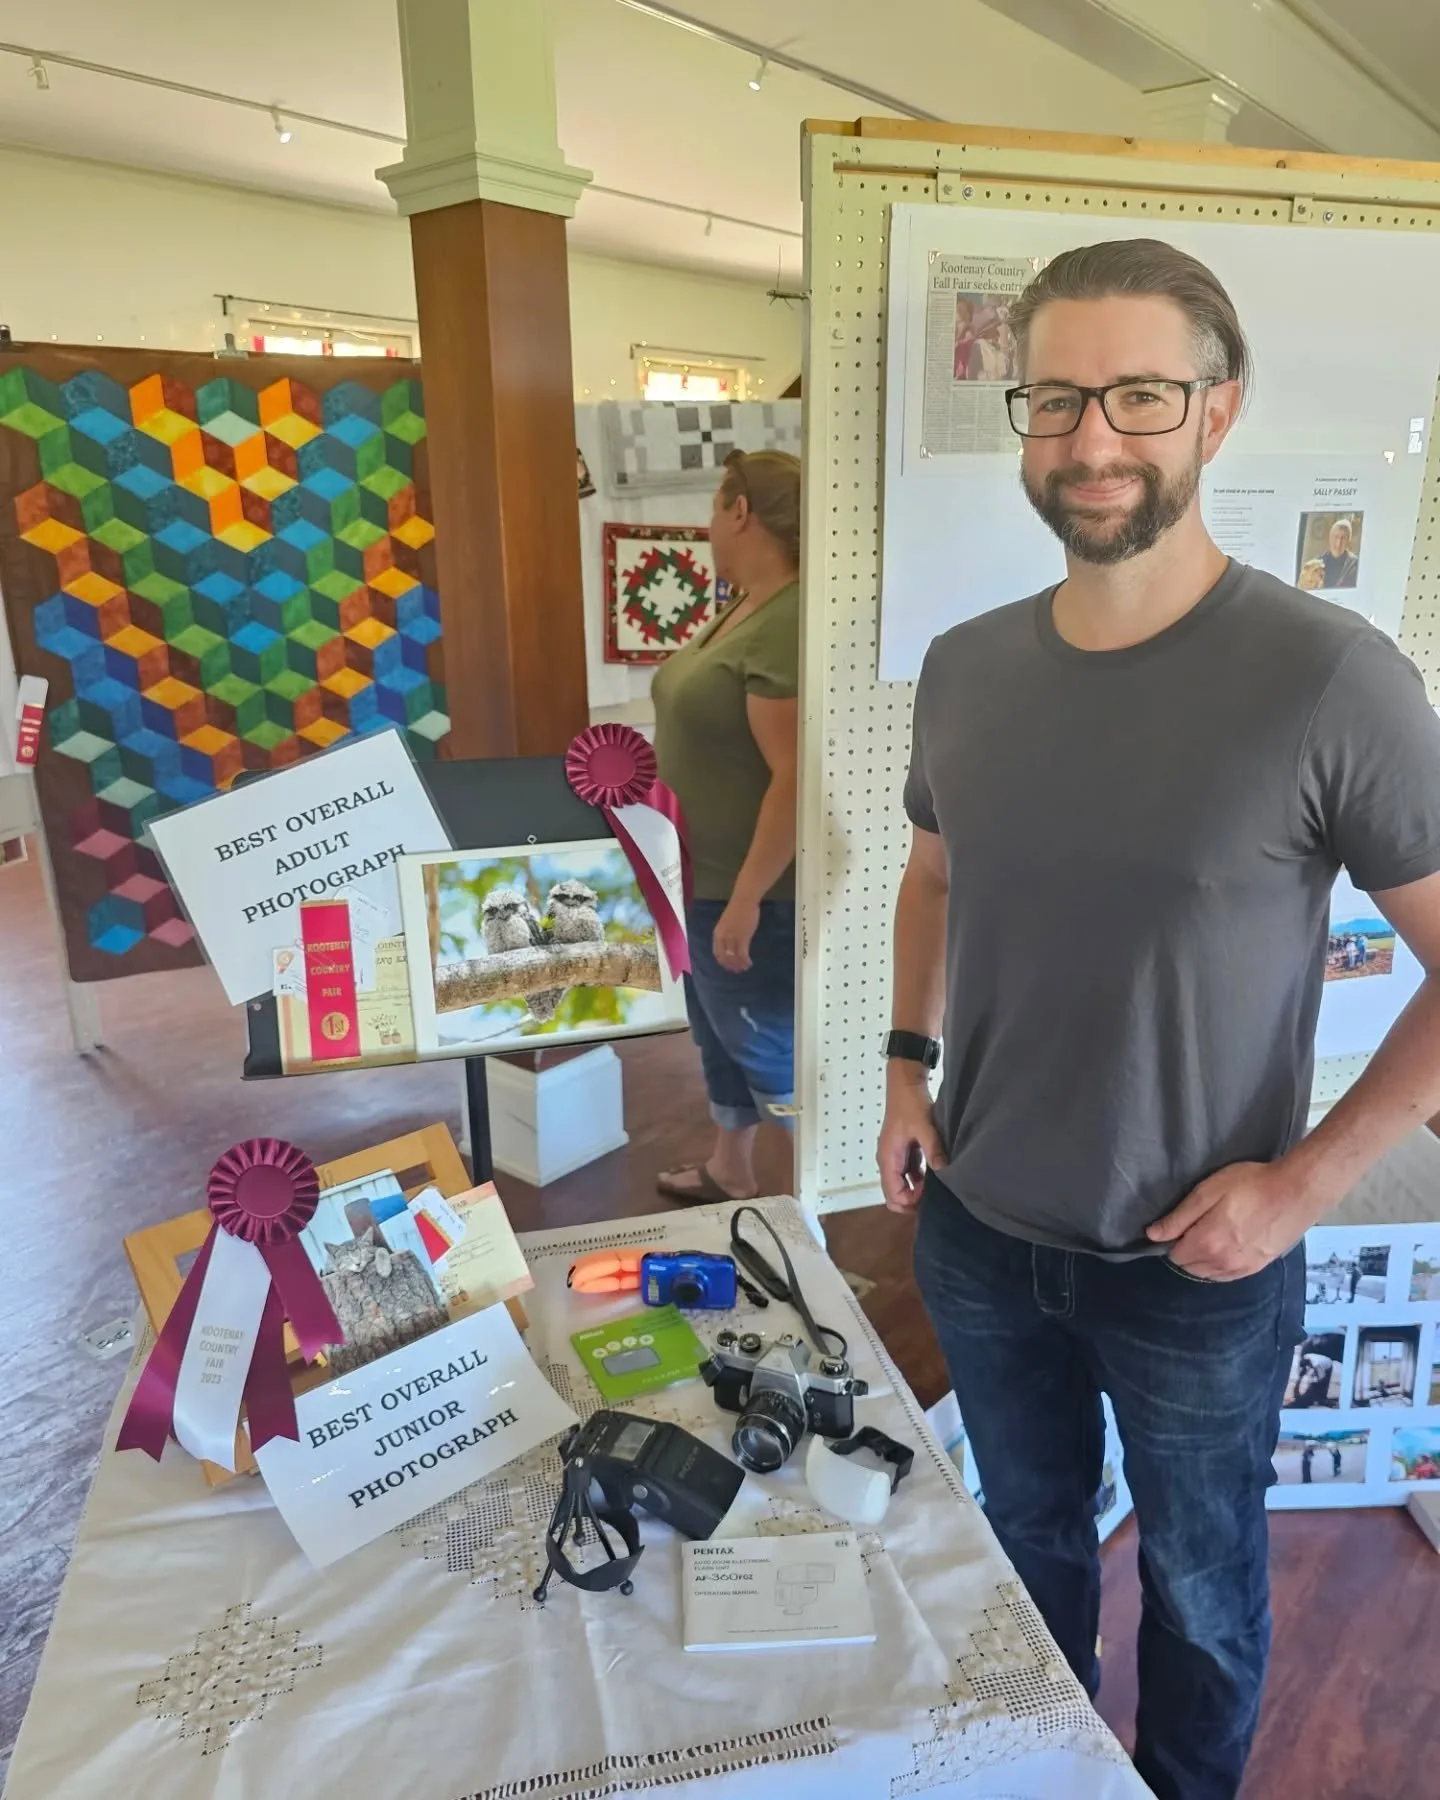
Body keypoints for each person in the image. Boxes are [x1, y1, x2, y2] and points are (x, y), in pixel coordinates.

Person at [879, 238, 1440, 1800]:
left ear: (1218, 409)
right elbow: (933, 875)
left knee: (1200, 1590)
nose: (1092, 440)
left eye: (1140, 395)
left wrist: (1305, 1186)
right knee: (1024, 1544)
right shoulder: (965, 668)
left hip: (1198, 1266)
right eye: (1057, 399)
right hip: (981, 1232)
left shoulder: (1331, 680)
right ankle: (1040, 1775)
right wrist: (906, 1069)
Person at [651, 450, 801, 1204]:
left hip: (748, 891)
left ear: (741, 510)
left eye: (715, 506)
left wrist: (746, 898)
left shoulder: (785, 619)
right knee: (717, 1035)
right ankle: (729, 1170)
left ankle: (802, 1218)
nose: (710, 523)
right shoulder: (745, 607)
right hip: (698, 876)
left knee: (768, 1056)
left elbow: (794, 777)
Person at [1321, 517, 1359, 589]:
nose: (1338, 543)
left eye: (1343, 538)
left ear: (1348, 541)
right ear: (1330, 538)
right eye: (1336, 537)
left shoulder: (1356, 564)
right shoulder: (1317, 564)